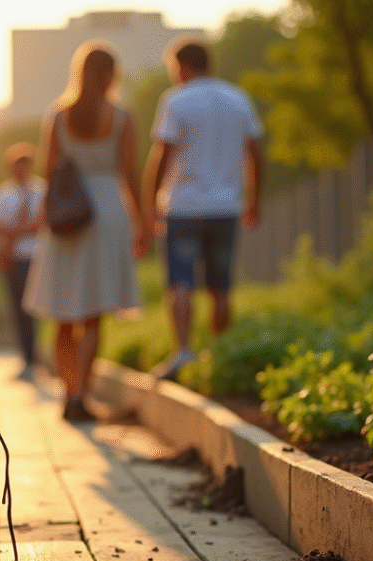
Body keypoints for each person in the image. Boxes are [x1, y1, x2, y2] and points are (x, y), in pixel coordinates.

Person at [23, 42, 146, 422]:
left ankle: (68, 393)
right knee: (93, 314)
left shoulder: (59, 116)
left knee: (64, 313)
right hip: (107, 212)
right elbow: (129, 173)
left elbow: (49, 170)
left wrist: (46, 218)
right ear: (112, 75)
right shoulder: (121, 117)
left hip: (69, 212)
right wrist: (141, 223)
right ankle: (82, 396)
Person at [142, 38, 263, 381]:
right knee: (220, 285)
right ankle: (219, 356)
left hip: (183, 207)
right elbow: (255, 153)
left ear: (183, 67)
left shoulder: (176, 100)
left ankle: (184, 352)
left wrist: (151, 205)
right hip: (226, 207)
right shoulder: (239, 98)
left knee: (180, 281)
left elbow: (162, 155)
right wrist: (254, 199)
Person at [0, 142, 45, 381]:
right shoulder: (3, 193)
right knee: (18, 308)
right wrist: (17, 231)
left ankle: (36, 356)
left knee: (35, 308)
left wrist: (14, 231)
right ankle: (27, 358)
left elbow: (41, 224)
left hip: (35, 257)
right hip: (12, 257)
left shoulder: (40, 190)